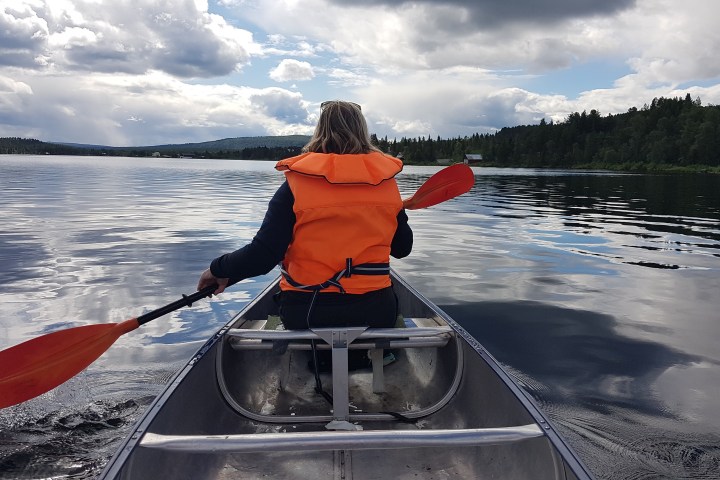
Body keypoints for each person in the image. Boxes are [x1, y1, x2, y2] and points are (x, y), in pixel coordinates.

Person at [197, 100, 412, 332]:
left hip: (307, 311)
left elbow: (263, 256)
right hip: (376, 311)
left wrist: (218, 269)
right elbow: (402, 249)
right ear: (363, 132)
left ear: (320, 130)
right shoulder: (385, 185)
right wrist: (395, 211)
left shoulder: (295, 184)